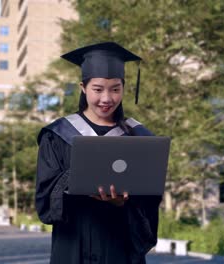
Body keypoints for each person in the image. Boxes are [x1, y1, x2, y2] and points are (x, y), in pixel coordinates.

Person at [35, 42, 162, 264]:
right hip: (73, 246)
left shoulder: (139, 136)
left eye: (115, 89)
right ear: (83, 88)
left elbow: (150, 200)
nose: (106, 98)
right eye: (98, 89)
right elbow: (45, 197)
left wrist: (124, 203)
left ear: (123, 87)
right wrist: (77, 179)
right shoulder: (57, 135)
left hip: (120, 248)